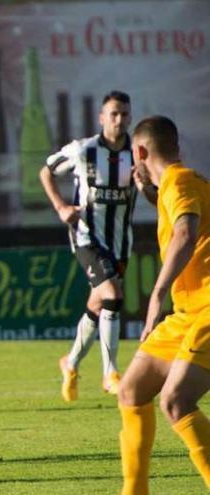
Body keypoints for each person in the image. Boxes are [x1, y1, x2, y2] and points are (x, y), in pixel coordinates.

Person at [40, 90, 154, 402]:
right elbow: (46, 171)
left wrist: (144, 185)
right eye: (114, 114)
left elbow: (153, 196)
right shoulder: (83, 150)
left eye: (125, 115)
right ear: (101, 117)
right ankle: (110, 372)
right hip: (86, 237)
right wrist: (61, 207)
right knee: (114, 296)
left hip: (120, 243)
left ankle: (71, 363)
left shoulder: (137, 155)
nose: (119, 120)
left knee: (98, 305)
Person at [118, 116, 210, 494]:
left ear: (140, 152)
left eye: (133, 156)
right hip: (189, 312)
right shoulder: (176, 186)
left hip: (207, 311)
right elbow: (186, 221)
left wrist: (156, 294)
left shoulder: (181, 181)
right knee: (132, 390)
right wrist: (151, 197)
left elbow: (187, 232)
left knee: (175, 400)